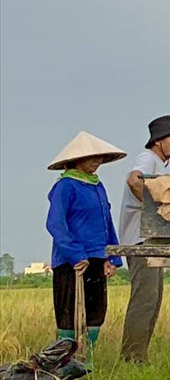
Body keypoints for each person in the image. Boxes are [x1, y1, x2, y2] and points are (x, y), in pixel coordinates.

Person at [45, 132, 126, 365]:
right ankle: (64, 362)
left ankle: (86, 359)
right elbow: (55, 224)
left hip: (98, 258)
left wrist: (112, 257)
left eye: (99, 157)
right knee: (69, 313)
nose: (97, 161)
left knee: (96, 311)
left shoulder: (98, 187)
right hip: (71, 261)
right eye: (91, 157)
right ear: (76, 160)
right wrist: (76, 254)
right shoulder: (65, 186)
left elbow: (107, 223)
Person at [118, 114, 170, 363]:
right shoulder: (147, 158)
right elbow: (134, 180)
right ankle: (132, 358)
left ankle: (140, 355)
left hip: (150, 241)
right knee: (144, 300)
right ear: (158, 141)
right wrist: (154, 209)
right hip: (140, 241)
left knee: (153, 299)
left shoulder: (160, 164)